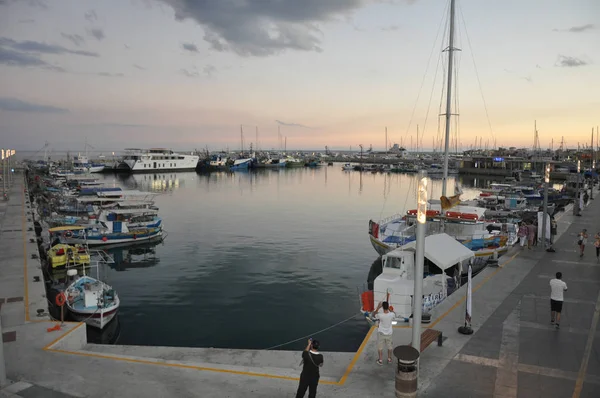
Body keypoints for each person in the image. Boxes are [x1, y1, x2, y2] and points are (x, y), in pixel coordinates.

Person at [372, 301, 395, 365]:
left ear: (382, 307)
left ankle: (380, 360)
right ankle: (389, 359)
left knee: (380, 348)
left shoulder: (380, 315)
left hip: (381, 333)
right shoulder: (391, 315)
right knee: (390, 347)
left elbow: (373, 315)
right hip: (389, 334)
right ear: (388, 307)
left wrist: (378, 307)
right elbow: (394, 313)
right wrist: (390, 309)